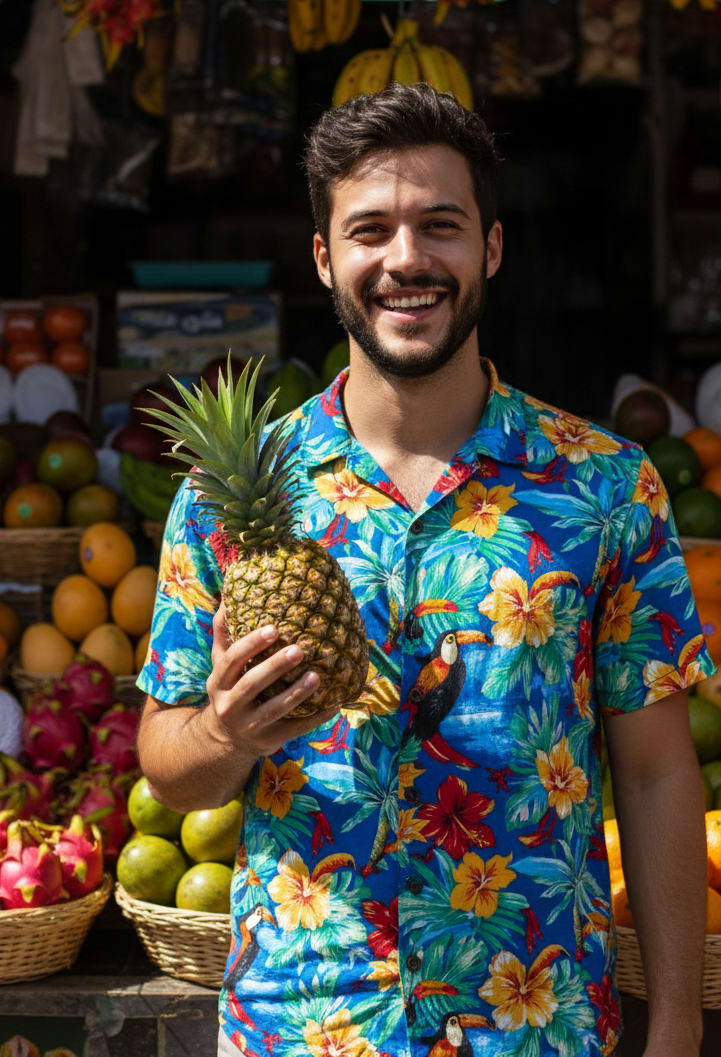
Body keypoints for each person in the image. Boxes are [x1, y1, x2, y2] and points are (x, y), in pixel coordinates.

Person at [137, 83, 714, 1057]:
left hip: (533, 1028)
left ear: (489, 248)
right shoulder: (232, 497)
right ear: (325, 258)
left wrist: (676, 1027)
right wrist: (225, 730)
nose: (406, 259)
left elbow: (657, 772)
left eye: (439, 226)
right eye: (370, 230)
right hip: (302, 1027)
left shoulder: (607, 486)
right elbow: (170, 766)